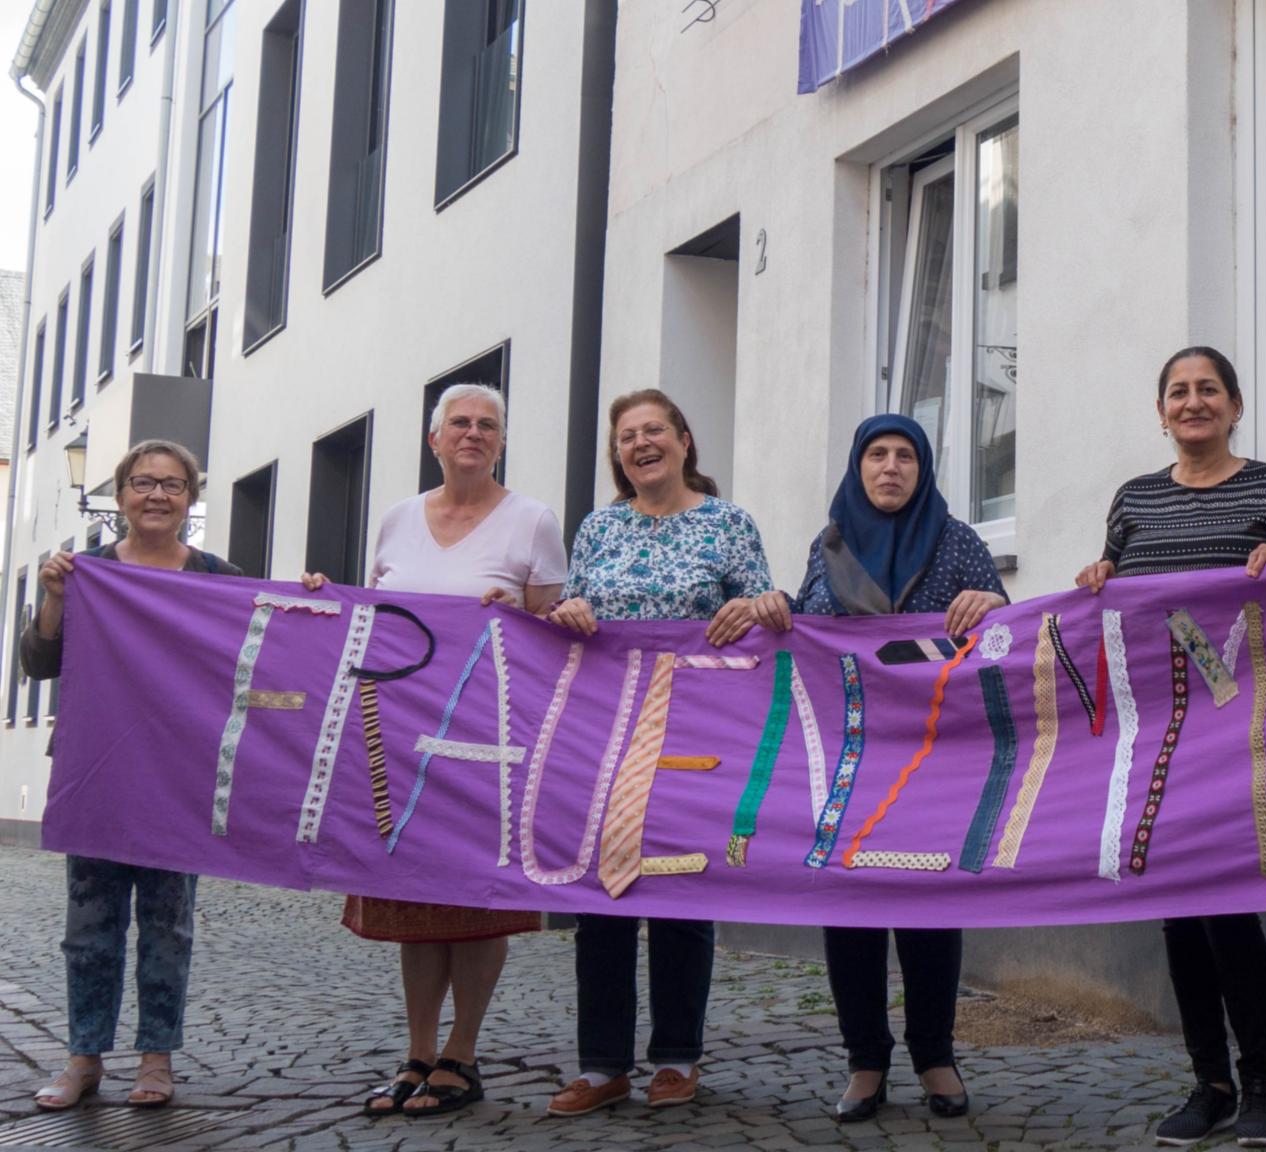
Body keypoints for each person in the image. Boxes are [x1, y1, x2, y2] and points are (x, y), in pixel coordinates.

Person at [1075, 346, 1266, 1149]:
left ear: (1236, 405)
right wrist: (1097, 576)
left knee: (1230, 910)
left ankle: (1261, 1079)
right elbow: (1116, 594)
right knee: (1179, 914)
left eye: (1207, 389)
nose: (1192, 403)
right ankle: (1207, 1082)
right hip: (1160, 741)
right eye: (1178, 392)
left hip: (1243, 732)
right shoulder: (1134, 500)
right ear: (1161, 412)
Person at [302, 384, 568, 1117]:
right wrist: (327, 598)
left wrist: (520, 616)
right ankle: (418, 1050)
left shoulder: (533, 521)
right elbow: (378, 618)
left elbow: (557, 640)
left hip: (488, 742)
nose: (474, 434)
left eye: (488, 425)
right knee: (416, 899)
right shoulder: (395, 519)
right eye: (461, 423)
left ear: (502, 441)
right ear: (435, 439)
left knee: (473, 901)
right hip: (400, 740)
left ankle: (463, 1053)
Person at [752, 414, 1006, 1122]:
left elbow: (1003, 639)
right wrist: (781, 608)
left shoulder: (959, 544)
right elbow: (811, 631)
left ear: (923, 469)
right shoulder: (828, 544)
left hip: (934, 757)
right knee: (850, 908)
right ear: (857, 469)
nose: (890, 467)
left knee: (929, 906)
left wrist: (995, 602)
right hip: (850, 754)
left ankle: (935, 1057)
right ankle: (865, 1062)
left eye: (904, 456)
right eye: (876, 455)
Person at [542, 389, 771, 1117]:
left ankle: (677, 1056)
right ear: (618, 455)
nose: (640, 443)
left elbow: (766, 613)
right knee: (600, 892)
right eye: (627, 436)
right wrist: (567, 611)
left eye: (653, 431)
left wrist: (756, 607)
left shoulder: (730, 523)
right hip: (603, 730)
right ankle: (602, 1063)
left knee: (679, 888)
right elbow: (570, 612)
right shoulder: (599, 528)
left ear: (684, 438)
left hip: (696, 729)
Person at [23, 440, 242, 1111]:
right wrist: (53, 597)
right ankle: (83, 1058)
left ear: (190, 498)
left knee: (169, 924)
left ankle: (156, 1060)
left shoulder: (217, 575)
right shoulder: (83, 571)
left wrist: (313, 593)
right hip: (99, 772)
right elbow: (38, 662)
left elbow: (274, 632)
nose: (157, 495)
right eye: (143, 482)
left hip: (179, 775)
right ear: (119, 496)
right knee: (90, 924)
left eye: (173, 485)